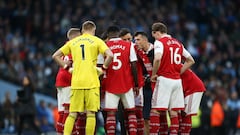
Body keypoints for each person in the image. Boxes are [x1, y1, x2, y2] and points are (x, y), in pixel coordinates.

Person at [52, 20, 113, 135]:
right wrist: (103, 68)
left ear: (82, 30)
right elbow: (110, 55)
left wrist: (67, 68)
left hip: (76, 82)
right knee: (90, 114)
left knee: (72, 114)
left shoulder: (73, 41)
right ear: (93, 30)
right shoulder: (97, 41)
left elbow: (55, 56)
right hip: (92, 82)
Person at [150, 22, 195, 135]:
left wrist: (153, 74)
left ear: (156, 32)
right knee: (174, 112)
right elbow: (191, 60)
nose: (154, 37)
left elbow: (157, 58)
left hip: (164, 79)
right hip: (177, 81)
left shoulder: (159, 42)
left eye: (153, 35)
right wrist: (179, 71)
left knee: (155, 109)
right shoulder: (178, 43)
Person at [104, 26, 138, 135]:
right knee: (131, 111)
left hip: (110, 84)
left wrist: (100, 86)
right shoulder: (129, 45)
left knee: (110, 113)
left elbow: (100, 67)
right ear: (118, 34)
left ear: (108, 35)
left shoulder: (104, 46)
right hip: (126, 83)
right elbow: (133, 65)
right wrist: (136, 84)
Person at [55, 28, 81, 135]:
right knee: (68, 112)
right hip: (68, 81)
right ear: (75, 37)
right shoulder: (73, 47)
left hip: (60, 81)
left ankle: (60, 133)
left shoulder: (64, 47)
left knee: (62, 112)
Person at [119, 28, 145, 135]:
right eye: (125, 39)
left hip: (137, 84)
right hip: (124, 85)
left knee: (138, 113)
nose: (129, 41)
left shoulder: (136, 48)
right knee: (126, 114)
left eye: (130, 39)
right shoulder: (119, 51)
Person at [134, 31, 154, 135]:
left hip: (158, 86)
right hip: (147, 87)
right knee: (146, 117)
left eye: (138, 40)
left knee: (155, 116)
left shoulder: (156, 51)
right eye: (135, 40)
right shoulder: (139, 52)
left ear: (145, 40)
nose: (135, 42)